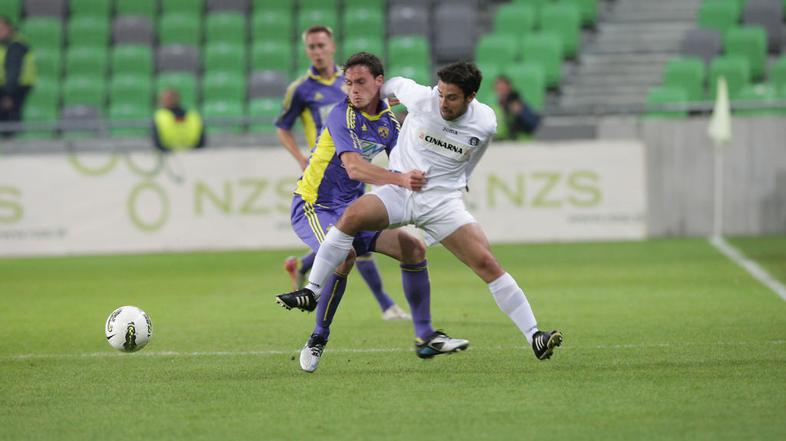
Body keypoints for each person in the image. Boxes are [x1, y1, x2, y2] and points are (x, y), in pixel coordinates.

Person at [276, 61, 563, 362]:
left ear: (471, 97)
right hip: (399, 191)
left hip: (441, 202)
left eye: (451, 97)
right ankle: (312, 291)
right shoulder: (417, 97)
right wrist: (365, 92)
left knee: (484, 262)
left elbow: (474, 154)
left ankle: (534, 336)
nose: (442, 103)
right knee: (354, 217)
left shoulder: (486, 121)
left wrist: (461, 181)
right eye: (440, 94)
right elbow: (380, 87)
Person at [276, 52, 469, 372]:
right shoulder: (341, 115)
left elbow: (404, 164)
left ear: (380, 83)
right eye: (348, 83)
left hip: (352, 208)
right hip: (315, 205)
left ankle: (425, 338)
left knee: (413, 248)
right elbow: (354, 168)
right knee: (344, 255)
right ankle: (318, 336)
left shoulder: (388, 122)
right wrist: (401, 179)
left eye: (361, 82)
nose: (353, 89)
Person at [276, 25, 410, 321]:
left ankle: (305, 272)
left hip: (355, 171)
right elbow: (282, 126)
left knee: (350, 242)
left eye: (321, 45)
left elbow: (383, 103)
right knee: (348, 246)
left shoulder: (349, 79)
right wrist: (300, 156)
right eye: (311, 47)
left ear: (332, 46)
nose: (317, 52)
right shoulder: (300, 89)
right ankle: (385, 305)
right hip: (326, 167)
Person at [0, 16, 35, 138]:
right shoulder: (4, 45)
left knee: (9, 123)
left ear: (9, 29)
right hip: (7, 88)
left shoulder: (15, 46)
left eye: (1, 28)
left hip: (16, 89)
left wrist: (8, 95)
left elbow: (13, 71)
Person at [493, 75, 541, 139]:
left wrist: (520, 112)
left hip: (520, 142)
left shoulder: (517, 103)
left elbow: (533, 123)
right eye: (499, 88)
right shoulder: (495, 105)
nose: (501, 90)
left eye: (503, 87)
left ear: (509, 87)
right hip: (502, 142)